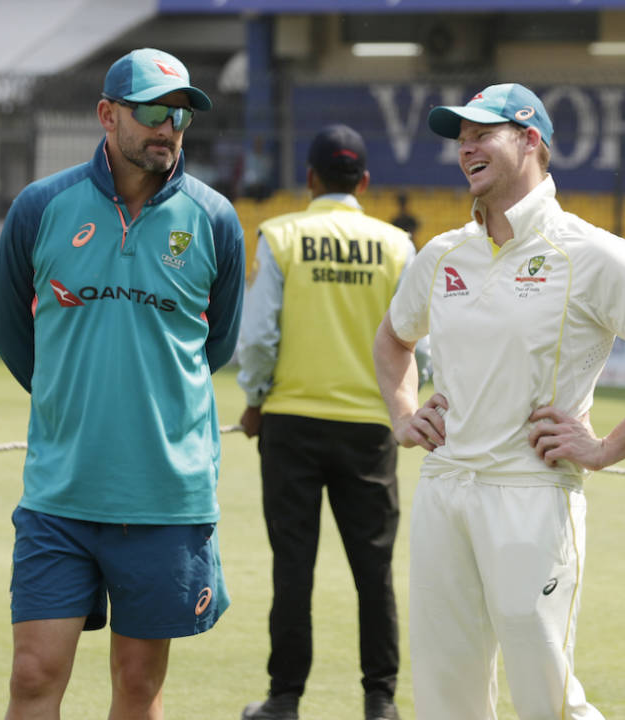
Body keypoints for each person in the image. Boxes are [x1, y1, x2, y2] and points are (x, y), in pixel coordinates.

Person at [373, 83, 625, 719]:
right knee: (445, 694)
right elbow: (393, 340)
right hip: (444, 488)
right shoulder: (443, 252)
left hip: (532, 494)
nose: (466, 146)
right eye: (460, 137)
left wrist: (605, 448)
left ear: (531, 141)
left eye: (482, 133)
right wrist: (403, 414)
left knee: (545, 695)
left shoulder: (590, 252)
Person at [0, 47, 244, 720]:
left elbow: (213, 346)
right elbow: (13, 335)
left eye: (181, 117)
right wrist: (67, 398)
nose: (169, 129)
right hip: (61, 492)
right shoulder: (40, 207)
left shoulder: (215, 219)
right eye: (153, 112)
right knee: (33, 675)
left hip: (166, 496)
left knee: (138, 684)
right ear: (107, 115)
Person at [236, 124, 422, 720]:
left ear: (310, 178)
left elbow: (260, 336)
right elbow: (421, 338)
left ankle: (285, 699)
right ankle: (381, 700)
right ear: (364, 181)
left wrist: (256, 396)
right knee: (374, 571)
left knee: (293, 568)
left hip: (291, 421)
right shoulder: (397, 246)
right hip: (372, 426)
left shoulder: (281, 235)